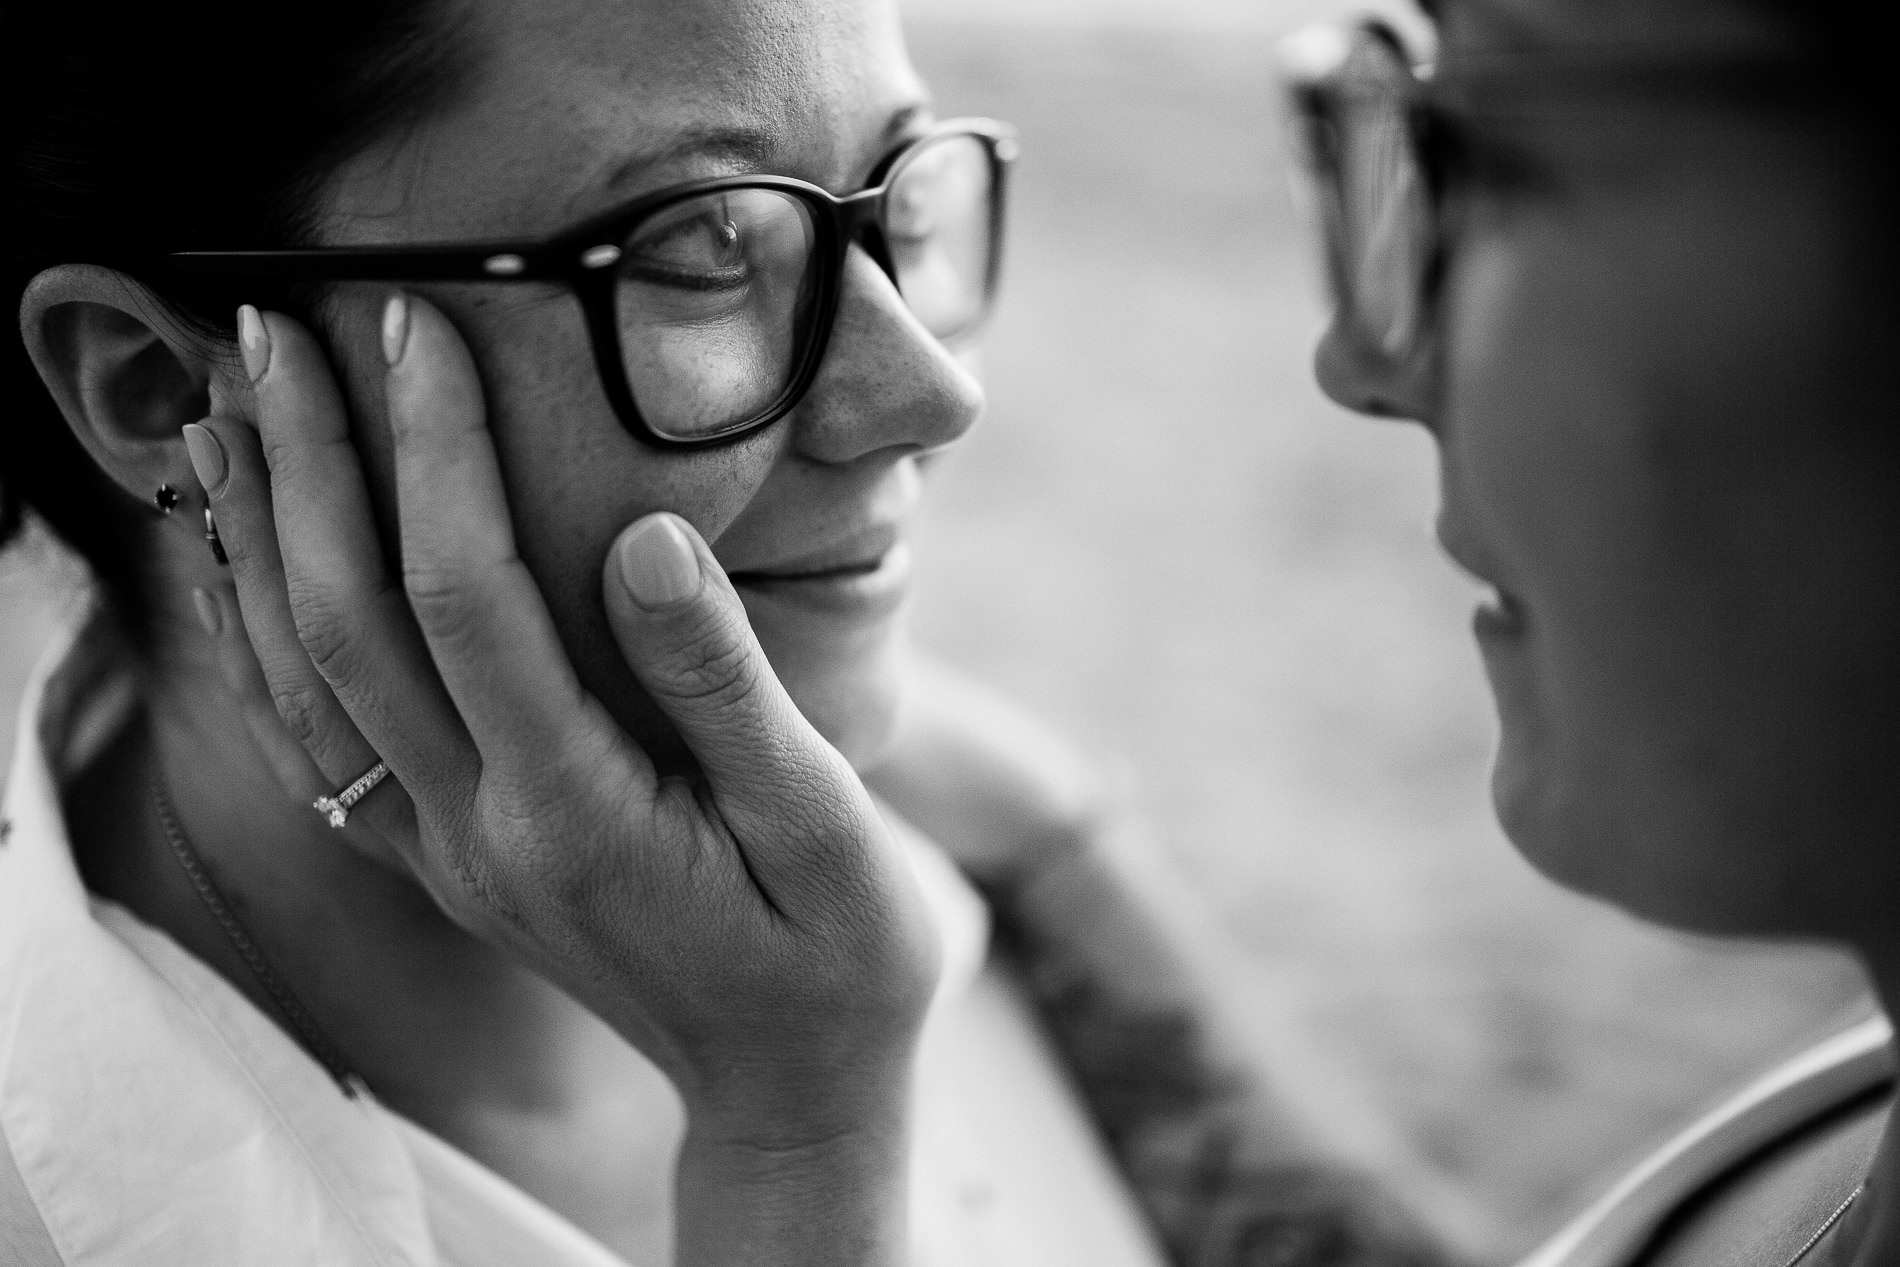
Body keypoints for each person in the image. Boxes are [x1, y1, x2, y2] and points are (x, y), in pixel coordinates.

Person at [0, 2, 1304, 1264]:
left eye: (896, 194)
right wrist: (802, 1144)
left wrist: (1056, 844)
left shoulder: (957, 852)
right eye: (703, 246)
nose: (928, 392)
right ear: (160, 388)